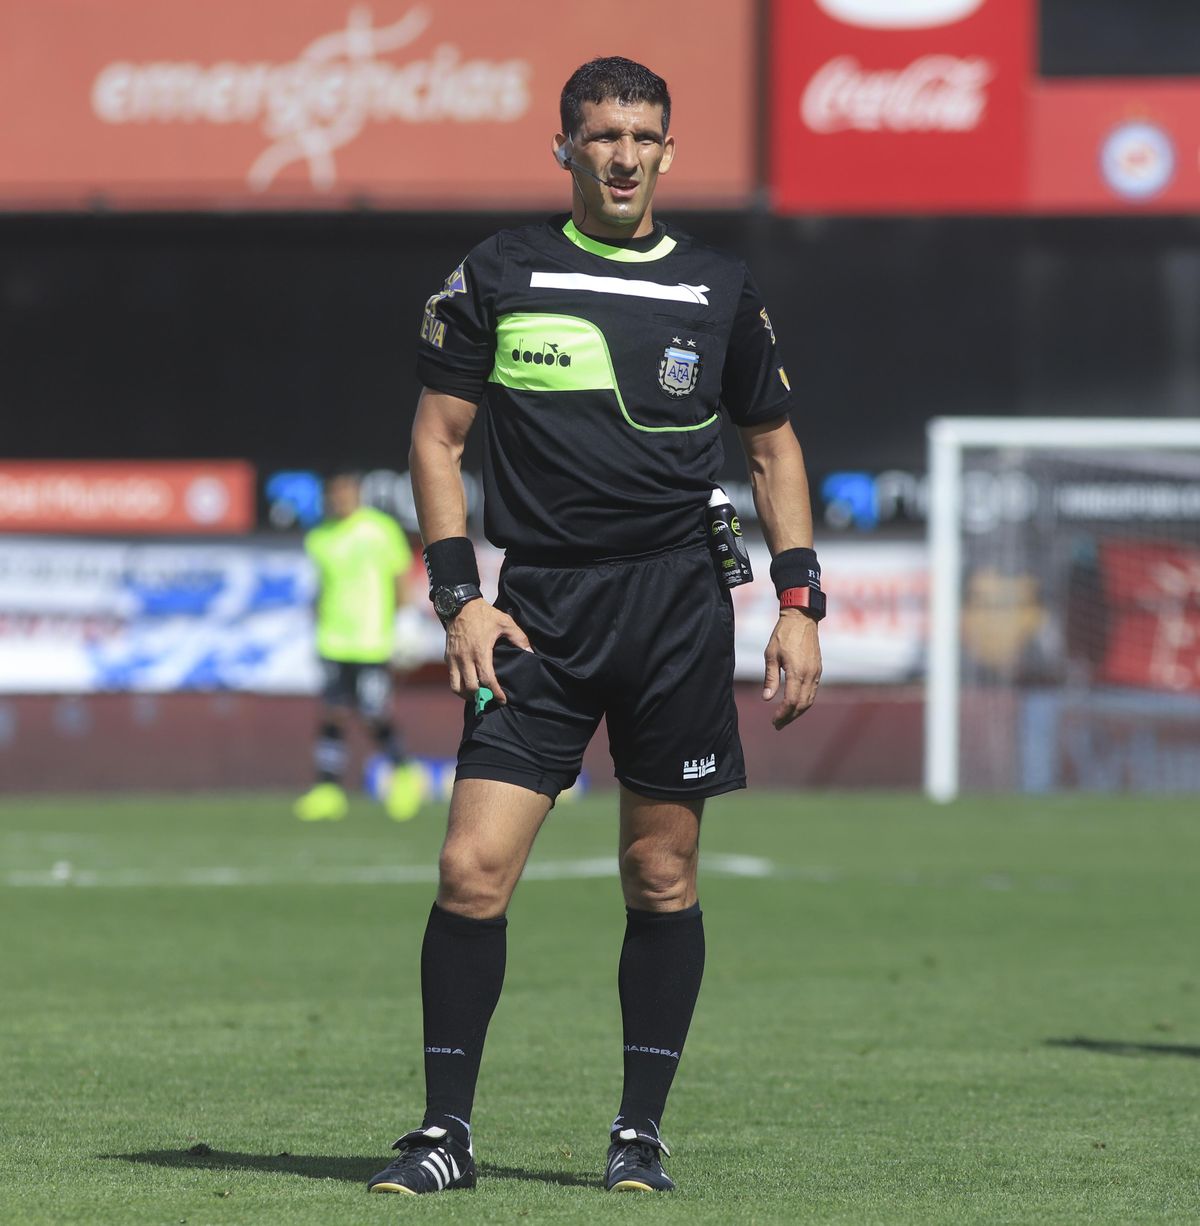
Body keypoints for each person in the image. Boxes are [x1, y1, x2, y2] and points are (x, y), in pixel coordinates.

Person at [367, 56, 824, 1196]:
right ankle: (443, 1132)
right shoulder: (499, 271)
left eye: (643, 136)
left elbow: (772, 448)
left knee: (658, 875)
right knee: (471, 867)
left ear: (669, 151)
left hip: (675, 608)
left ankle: (638, 1133)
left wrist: (800, 600)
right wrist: (458, 594)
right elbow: (436, 439)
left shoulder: (720, 287)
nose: (623, 154)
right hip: (540, 614)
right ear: (564, 148)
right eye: (602, 134)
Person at [293, 469, 424, 823]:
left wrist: (407, 622)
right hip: (332, 640)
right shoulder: (319, 537)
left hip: (372, 641)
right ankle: (328, 790)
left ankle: (404, 773)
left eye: (346, 492)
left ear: (357, 493)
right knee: (332, 713)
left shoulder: (380, 530)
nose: (340, 499)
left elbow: (400, 577)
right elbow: (321, 587)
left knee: (372, 711)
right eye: (334, 494)